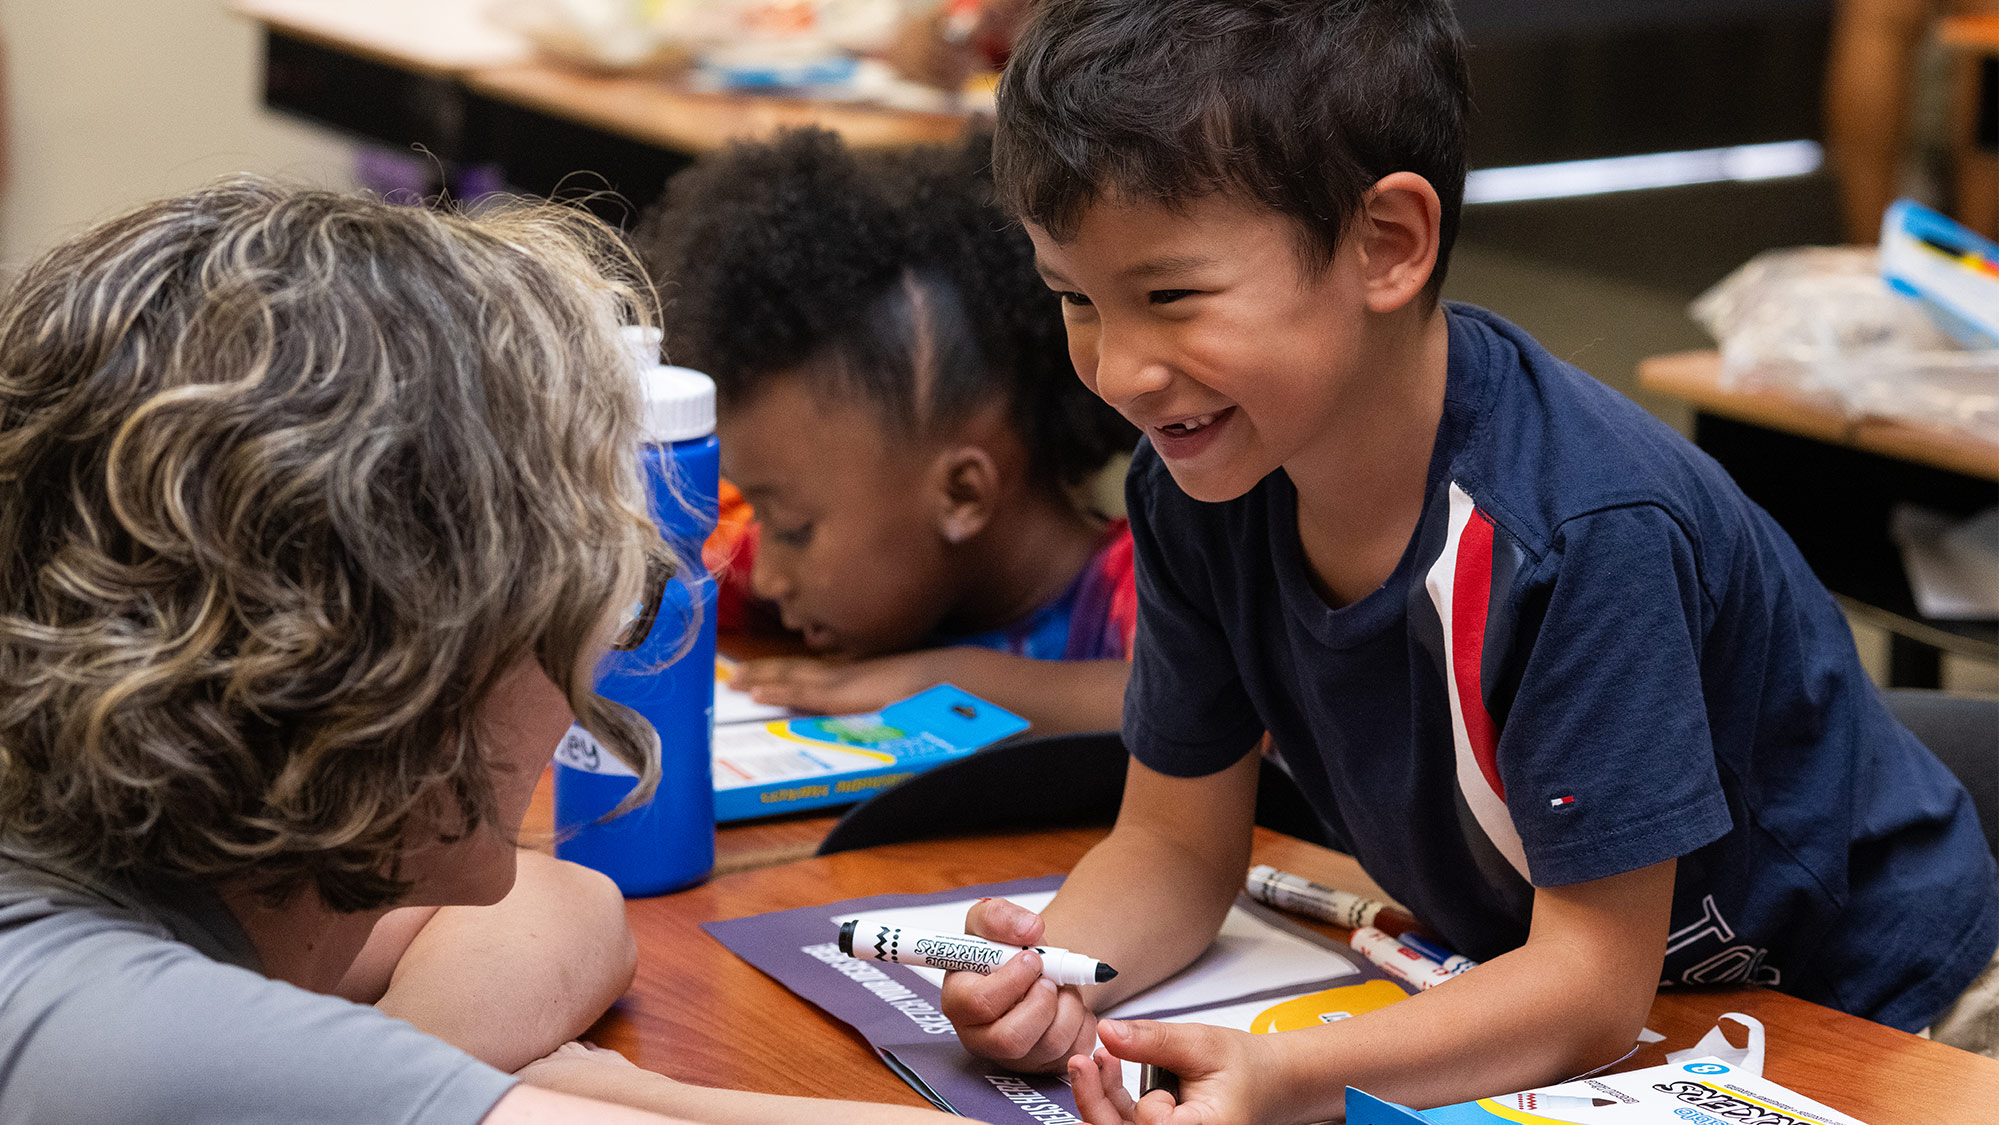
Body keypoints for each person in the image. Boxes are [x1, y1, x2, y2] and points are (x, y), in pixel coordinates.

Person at [934, 1, 2000, 1120]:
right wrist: (1055, 975)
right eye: (1075, 300)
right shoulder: (1199, 482)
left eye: (1168, 297)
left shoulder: (1579, 531)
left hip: (1892, 1017)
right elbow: (1169, 843)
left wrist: (1289, 1076)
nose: (1120, 371)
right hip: (1609, 1023)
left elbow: (1587, 985)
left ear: (1385, 244)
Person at [0, 176, 978, 1125]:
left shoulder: (129, 874)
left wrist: (402, 1079)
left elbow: (571, 905)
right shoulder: (128, 1042)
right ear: (438, 655)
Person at [640, 127, 1139, 734]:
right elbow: (663, 565)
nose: (768, 576)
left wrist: (934, 681)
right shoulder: (826, 559)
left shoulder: (1152, 579)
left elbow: (1198, 708)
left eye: (795, 530)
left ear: (962, 494)